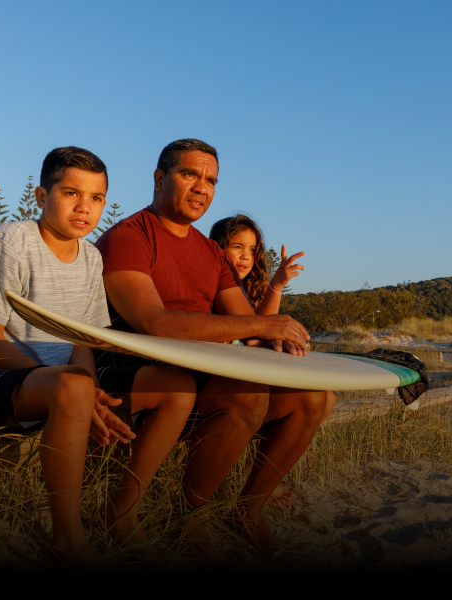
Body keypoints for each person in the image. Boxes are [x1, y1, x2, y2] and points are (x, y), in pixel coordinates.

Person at [0, 147, 196, 566]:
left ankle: (123, 517)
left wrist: (92, 395)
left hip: (66, 385)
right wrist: (76, 389)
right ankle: (67, 540)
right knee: (74, 386)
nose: (85, 208)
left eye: (97, 198)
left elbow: (83, 342)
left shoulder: (91, 258)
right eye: (70, 193)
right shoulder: (10, 240)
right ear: (41, 196)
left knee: (177, 386)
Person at [95, 139, 333, 559]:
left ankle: (248, 511)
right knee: (246, 393)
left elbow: (246, 326)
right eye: (190, 174)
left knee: (316, 397)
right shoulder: (128, 237)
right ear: (159, 178)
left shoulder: (210, 251)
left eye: (211, 180)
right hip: (140, 367)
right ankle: (191, 521)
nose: (202, 187)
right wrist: (259, 324)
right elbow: (155, 323)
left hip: (202, 365)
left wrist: (278, 336)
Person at [208, 215, 337, 511]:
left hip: (242, 381)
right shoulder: (209, 284)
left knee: (324, 398)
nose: (245, 256)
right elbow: (257, 330)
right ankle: (238, 491)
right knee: (308, 398)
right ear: (217, 247)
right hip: (215, 388)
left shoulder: (245, 289)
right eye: (237, 246)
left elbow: (260, 327)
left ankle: (254, 489)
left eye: (252, 250)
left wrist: (276, 285)